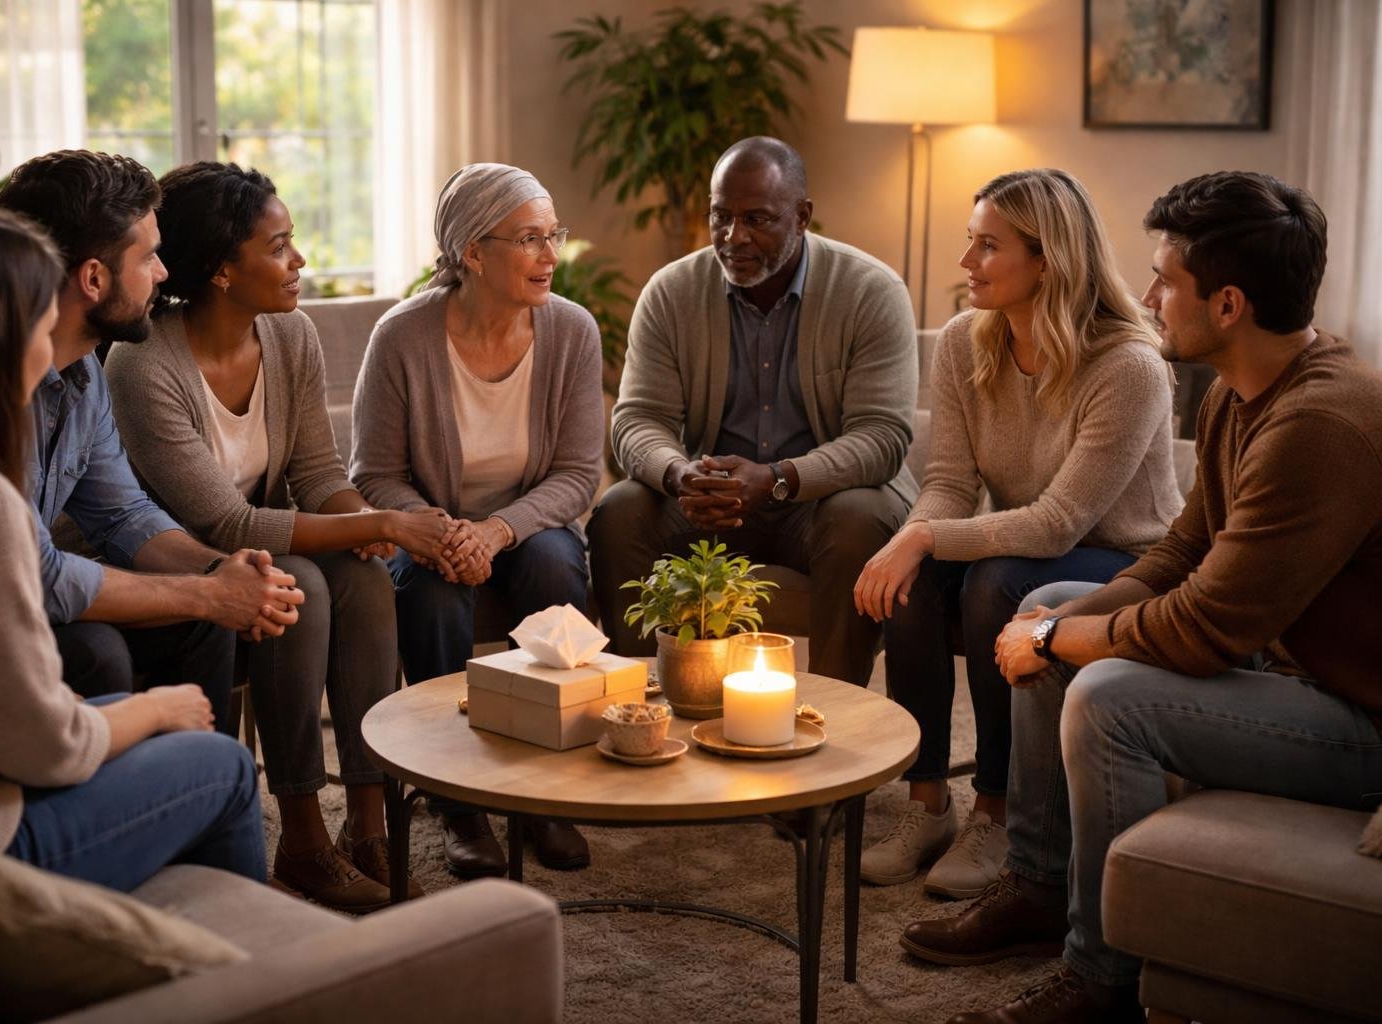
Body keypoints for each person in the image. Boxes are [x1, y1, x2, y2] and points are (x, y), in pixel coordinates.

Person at [904, 171, 1382, 1024]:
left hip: (1357, 718)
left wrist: (1055, 645)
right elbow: (1182, 551)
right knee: (1049, 596)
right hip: (1287, 665)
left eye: (1167, 279)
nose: (1149, 294)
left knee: (1109, 694)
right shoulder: (1250, 390)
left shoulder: (1318, 424)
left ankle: (1101, 977)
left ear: (1228, 304)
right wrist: (1057, 619)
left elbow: (1202, 627)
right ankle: (1040, 886)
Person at [0, 206, 264, 890]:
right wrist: (159, 707)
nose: (48, 356)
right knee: (223, 764)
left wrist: (212, 578)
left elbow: (122, 511)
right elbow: (47, 746)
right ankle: (254, 985)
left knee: (162, 721)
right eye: (42, 330)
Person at [107, 161, 453, 911]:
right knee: (302, 584)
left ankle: (366, 825)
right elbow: (222, 524)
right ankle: (300, 836)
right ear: (223, 270)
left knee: (361, 577)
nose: (300, 261)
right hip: (175, 566)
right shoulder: (143, 364)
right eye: (280, 245)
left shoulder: (291, 336)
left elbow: (317, 469)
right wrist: (385, 519)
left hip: (260, 547)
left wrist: (362, 523)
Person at [853, 170, 1181, 898]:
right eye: (971, 242)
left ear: (1048, 260)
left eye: (987, 246)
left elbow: (1059, 522)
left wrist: (924, 539)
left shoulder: (1129, 366)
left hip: (1121, 556)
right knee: (917, 581)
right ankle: (927, 802)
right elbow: (946, 484)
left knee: (992, 580)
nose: (966, 263)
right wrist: (909, 542)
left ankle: (996, 811)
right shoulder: (966, 341)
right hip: (1019, 541)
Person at [589, 136, 917, 689]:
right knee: (620, 511)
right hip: (709, 500)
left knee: (861, 518)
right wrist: (680, 473)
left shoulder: (870, 291)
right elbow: (636, 418)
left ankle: (836, 721)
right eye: (721, 216)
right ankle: (641, 706)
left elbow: (882, 436)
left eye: (757, 219)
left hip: (819, 502)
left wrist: (779, 479)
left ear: (803, 217)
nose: (733, 237)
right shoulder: (671, 292)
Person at [351, 163, 603, 879]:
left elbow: (579, 474)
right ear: (472, 252)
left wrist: (494, 532)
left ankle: (547, 786)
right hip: (427, 527)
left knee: (556, 560)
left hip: (526, 523)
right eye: (530, 239)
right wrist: (438, 530)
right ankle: (457, 802)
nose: (551, 254)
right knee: (428, 591)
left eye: (554, 235)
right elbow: (372, 474)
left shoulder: (572, 332)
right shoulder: (402, 337)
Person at [0, 150, 305, 732]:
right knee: (100, 651)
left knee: (203, 617)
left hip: (30, 597)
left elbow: (123, 516)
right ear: (93, 278)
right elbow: (34, 576)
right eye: (149, 258)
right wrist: (206, 593)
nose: (165, 274)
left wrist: (220, 572)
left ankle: (194, 795)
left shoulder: (83, 374)